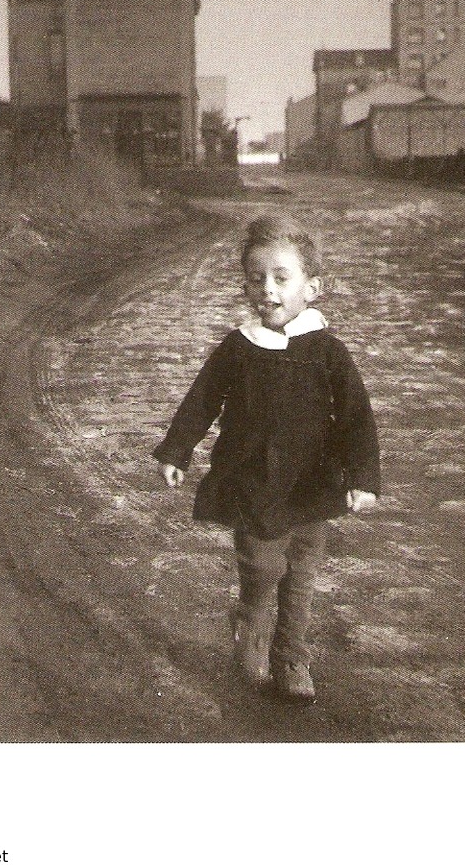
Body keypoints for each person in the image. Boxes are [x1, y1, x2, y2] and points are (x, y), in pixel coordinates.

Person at [153, 215, 380, 703]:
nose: (268, 290)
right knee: (262, 567)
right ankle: (252, 626)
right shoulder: (240, 348)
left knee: (300, 575)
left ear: (312, 288)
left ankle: (292, 657)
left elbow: (357, 418)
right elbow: (201, 400)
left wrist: (362, 477)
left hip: (313, 484)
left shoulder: (328, 352)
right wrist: (177, 450)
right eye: (256, 279)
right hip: (253, 480)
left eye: (282, 278)